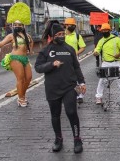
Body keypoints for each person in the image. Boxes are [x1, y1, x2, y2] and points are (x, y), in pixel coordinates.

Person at [35, 23, 86, 153]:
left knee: (71, 112)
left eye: (63, 34)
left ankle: (77, 139)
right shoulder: (46, 50)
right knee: (55, 115)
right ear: (52, 36)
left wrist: (82, 82)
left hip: (69, 87)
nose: (61, 36)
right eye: (58, 35)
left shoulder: (70, 49)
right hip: (52, 88)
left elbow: (76, 67)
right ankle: (58, 139)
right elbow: (38, 67)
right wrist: (51, 64)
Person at [0, 20, 33, 107]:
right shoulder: (11, 36)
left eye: (19, 25)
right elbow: (1, 43)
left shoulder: (27, 36)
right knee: (20, 79)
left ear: (23, 26)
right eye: (15, 25)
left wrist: (30, 50)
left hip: (25, 58)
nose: (17, 26)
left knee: (28, 78)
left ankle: (23, 95)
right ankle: (21, 98)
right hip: (15, 58)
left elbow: (31, 42)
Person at [93, 23, 120, 104]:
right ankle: (98, 97)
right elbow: (97, 50)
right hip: (105, 63)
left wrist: (119, 54)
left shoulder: (116, 39)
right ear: (101, 31)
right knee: (102, 80)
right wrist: (95, 53)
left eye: (106, 30)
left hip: (116, 62)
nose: (104, 31)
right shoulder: (101, 41)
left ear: (109, 30)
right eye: (103, 30)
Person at [64, 17, 86, 103]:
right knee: (64, 77)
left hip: (73, 59)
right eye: (70, 25)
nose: (72, 26)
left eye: (73, 25)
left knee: (76, 76)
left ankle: (79, 95)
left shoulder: (77, 36)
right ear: (66, 25)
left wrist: (75, 53)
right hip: (63, 59)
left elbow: (83, 47)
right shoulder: (62, 35)